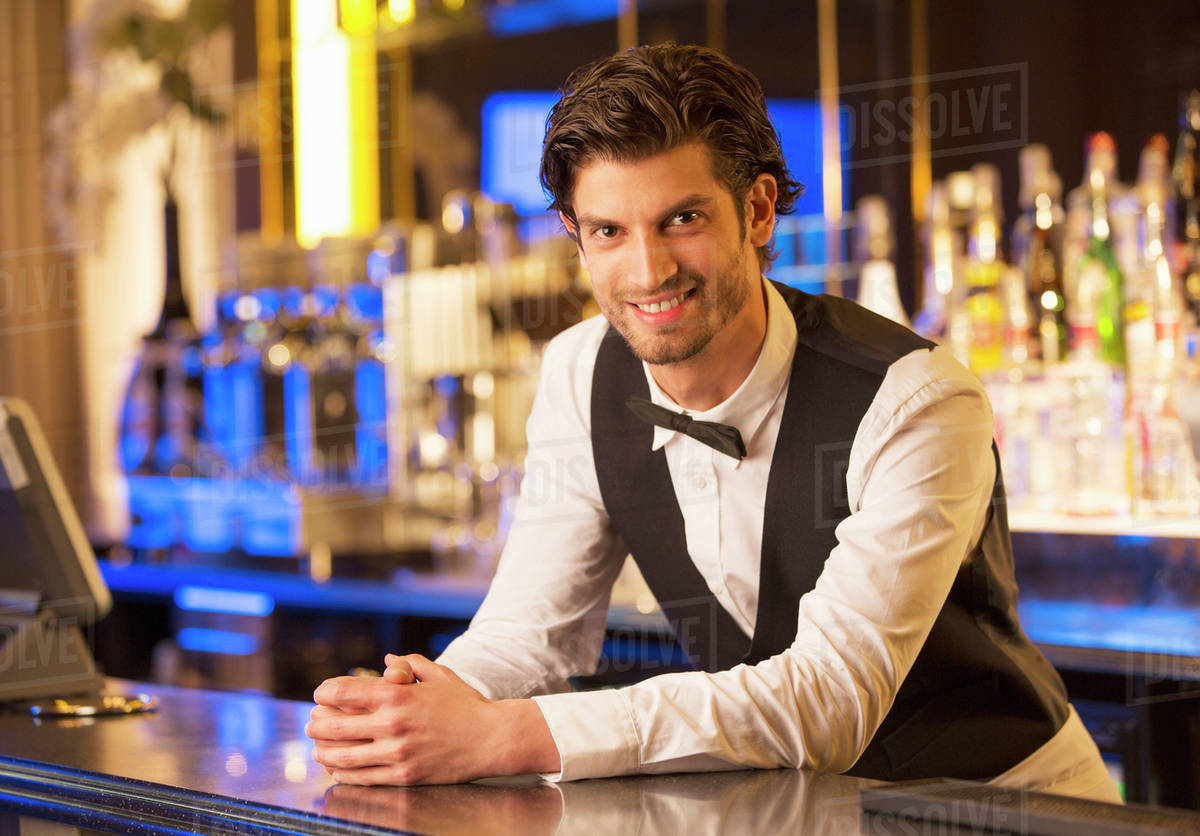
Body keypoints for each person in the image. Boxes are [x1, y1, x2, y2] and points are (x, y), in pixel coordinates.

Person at [306, 43, 1120, 801]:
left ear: (758, 210)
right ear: (575, 237)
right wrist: (412, 708)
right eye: (609, 232)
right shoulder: (579, 371)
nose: (648, 270)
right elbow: (529, 635)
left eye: (682, 220)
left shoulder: (915, 400)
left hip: (1010, 804)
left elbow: (826, 703)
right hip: (801, 807)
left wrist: (509, 735)